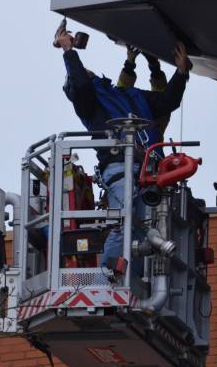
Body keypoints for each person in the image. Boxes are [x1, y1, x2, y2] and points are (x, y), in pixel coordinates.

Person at [55, 27, 191, 271]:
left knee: (146, 230)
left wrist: (181, 72)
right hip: (122, 168)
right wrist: (68, 51)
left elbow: (167, 101)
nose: (84, 73)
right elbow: (81, 85)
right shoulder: (91, 104)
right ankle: (108, 279)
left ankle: (132, 279)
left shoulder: (127, 95)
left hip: (149, 172)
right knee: (123, 225)